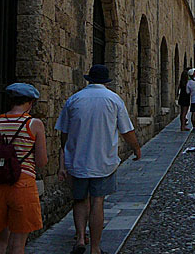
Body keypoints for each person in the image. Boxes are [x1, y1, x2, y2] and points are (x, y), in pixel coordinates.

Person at [56, 64, 141, 254]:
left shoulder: (74, 100)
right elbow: (126, 130)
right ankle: (95, 248)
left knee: (79, 200)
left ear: (89, 79)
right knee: (97, 201)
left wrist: (66, 150)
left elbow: (64, 132)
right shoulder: (114, 100)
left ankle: (79, 239)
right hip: (103, 161)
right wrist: (136, 148)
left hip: (77, 159)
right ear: (106, 81)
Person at [0, 83, 48, 254]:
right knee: (17, 244)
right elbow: (41, 161)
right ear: (31, 102)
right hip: (22, 184)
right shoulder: (34, 124)